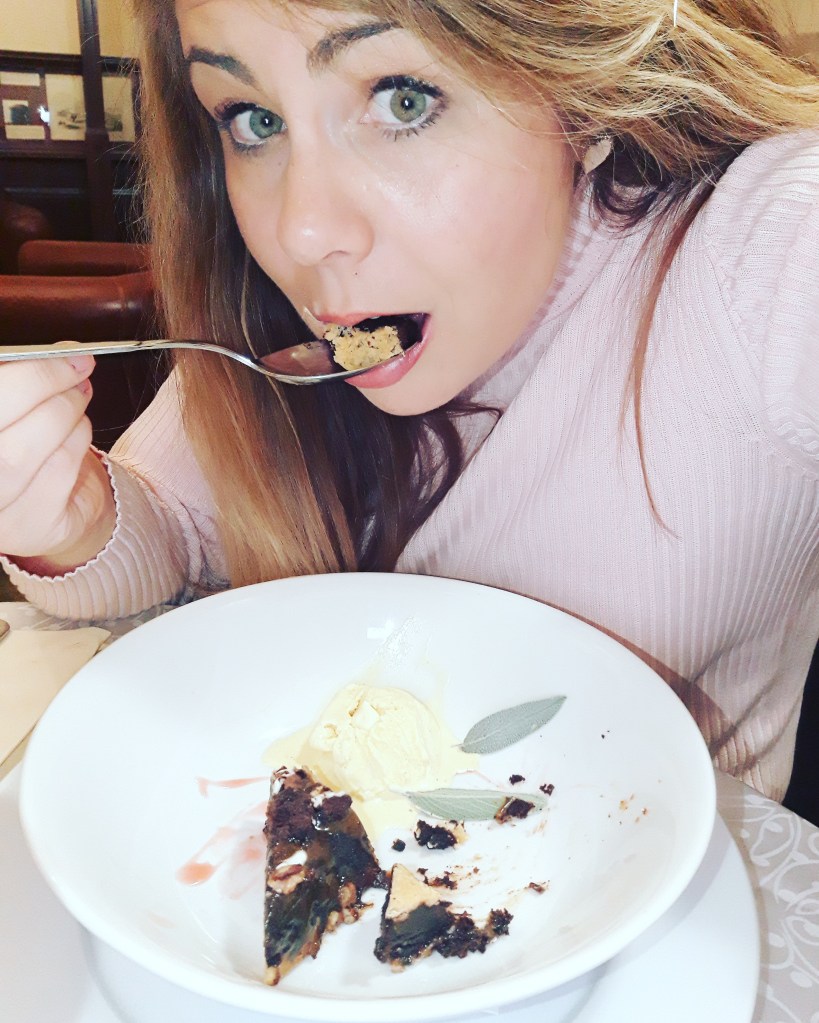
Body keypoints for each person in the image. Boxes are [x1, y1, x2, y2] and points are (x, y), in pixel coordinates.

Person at [0, 0, 817, 802]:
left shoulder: (759, 253)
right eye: (253, 119)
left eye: (402, 100)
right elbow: (173, 524)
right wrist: (70, 518)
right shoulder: (282, 327)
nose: (301, 231)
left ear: (587, 97)